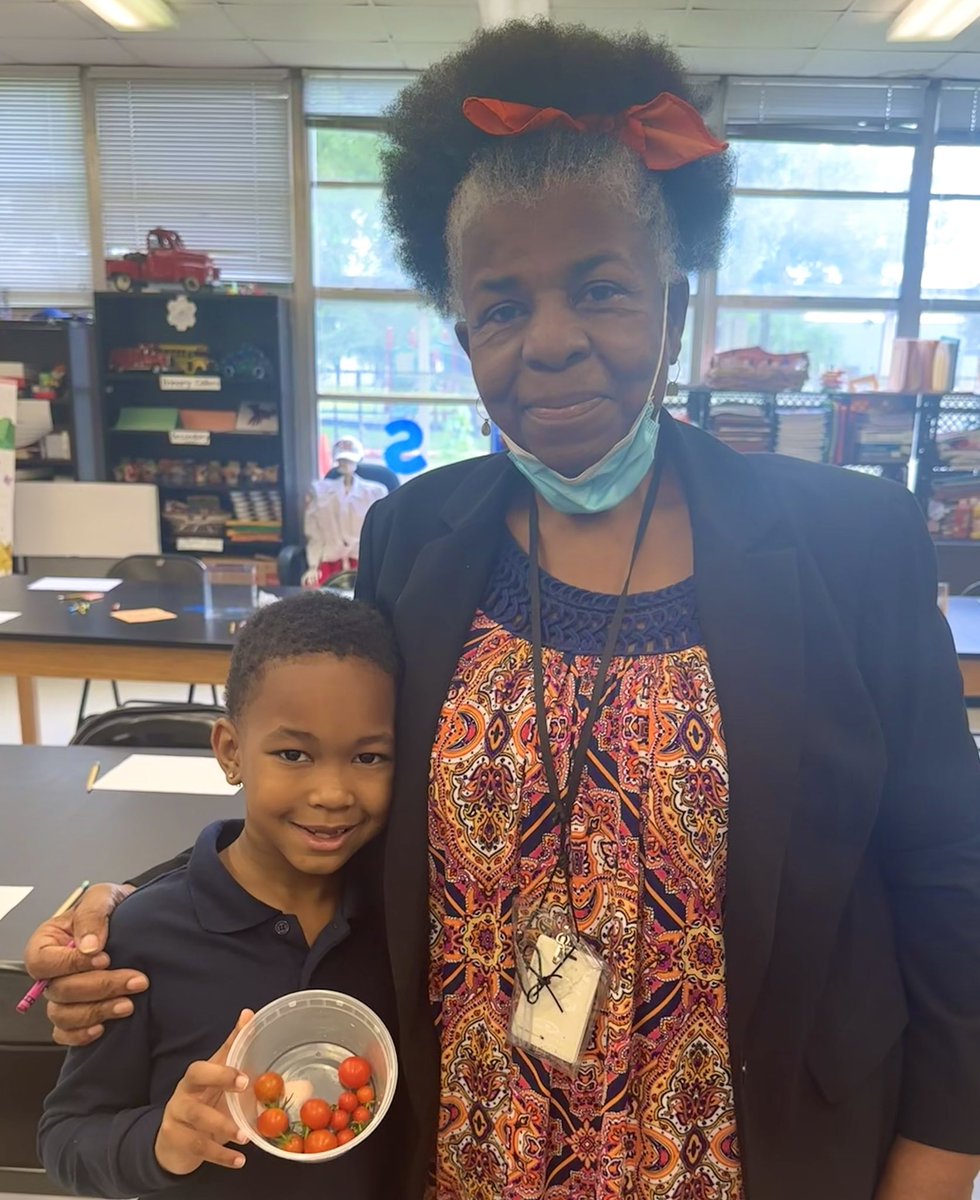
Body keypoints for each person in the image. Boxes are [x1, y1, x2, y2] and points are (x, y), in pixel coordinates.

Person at [26, 21, 980, 1200]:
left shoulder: (846, 542)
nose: (553, 343)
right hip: (473, 1138)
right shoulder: (417, 538)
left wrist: (945, 1148)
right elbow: (337, 783)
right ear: (462, 329)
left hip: (754, 1141)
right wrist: (132, 909)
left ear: (670, 307)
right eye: (501, 305)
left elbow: (945, 868)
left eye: (600, 291)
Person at [38, 591, 399, 1199]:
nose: (334, 792)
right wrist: (161, 1142)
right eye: (293, 754)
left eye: (369, 756)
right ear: (230, 751)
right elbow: (64, 1138)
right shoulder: (145, 937)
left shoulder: (401, 921)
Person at [303, 437, 389, 588]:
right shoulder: (320, 491)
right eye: (341, 460)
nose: (345, 464)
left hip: (363, 560)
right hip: (331, 558)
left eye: (349, 460)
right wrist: (313, 565)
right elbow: (314, 533)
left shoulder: (376, 492)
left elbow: (383, 532)